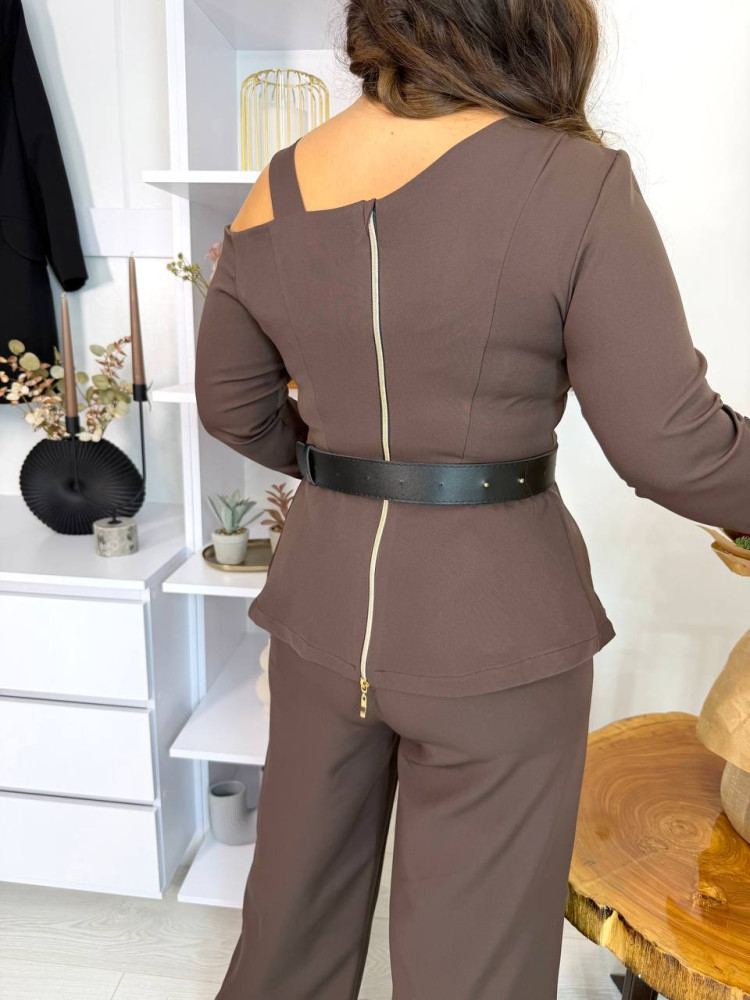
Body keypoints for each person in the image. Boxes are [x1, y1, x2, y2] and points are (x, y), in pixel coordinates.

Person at [194, 1, 750, 997]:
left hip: (321, 615)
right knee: (473, 970)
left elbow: (232, 406)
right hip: (497, 633)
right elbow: (673, 445)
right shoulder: (573, 179)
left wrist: (348, 469)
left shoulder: (277, 183)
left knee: (286, 937)